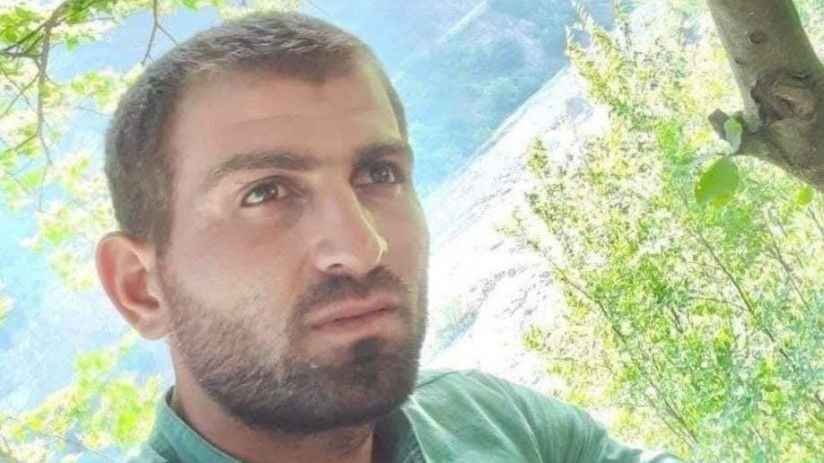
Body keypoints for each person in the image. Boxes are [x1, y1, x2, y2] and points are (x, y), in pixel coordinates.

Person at [95, 10, 681, 463]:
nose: (361, 246)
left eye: (379, 175)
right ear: (141, 288)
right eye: (266, 193)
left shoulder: (490, 420)